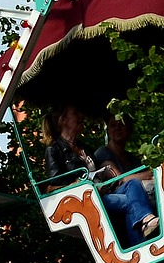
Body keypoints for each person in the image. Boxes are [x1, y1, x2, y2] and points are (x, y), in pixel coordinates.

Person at [44, 105, 159, 246]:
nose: (81, 117)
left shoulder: (85, 148)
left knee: (134, 185)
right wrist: (82, 184)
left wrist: (104, 181)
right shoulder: (54, 150)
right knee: (131, 202)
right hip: (85, 198)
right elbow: (55, 181)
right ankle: (140, 245)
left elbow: (100, 174)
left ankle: (146, 222)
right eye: (76, 113)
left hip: (102, 193)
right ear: (64, 121)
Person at [94, 114, 156, 197]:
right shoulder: (103, 152)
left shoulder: (132, 158)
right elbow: (120, 179)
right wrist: (153, 172)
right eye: (113, 125)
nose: (117, 128)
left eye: (121, 124)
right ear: (108, 131)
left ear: (129, 129)